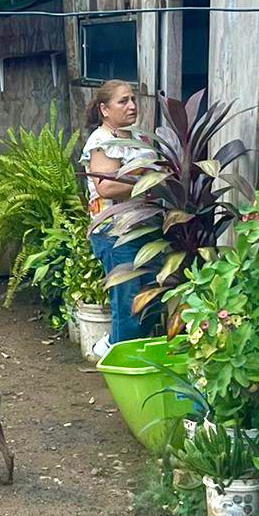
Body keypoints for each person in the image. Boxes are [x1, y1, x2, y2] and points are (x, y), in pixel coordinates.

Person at [80, 80, 158, 353]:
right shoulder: (102, 141)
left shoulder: (137, 137)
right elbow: (106, 187)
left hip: (143, 227)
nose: (132, 105)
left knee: (152, 296)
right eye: (123, 101)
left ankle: (121, 350)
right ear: (104, 109)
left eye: (132, 99)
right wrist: (149, 181)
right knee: (127, 300)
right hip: (114, 232)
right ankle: (118, 353)